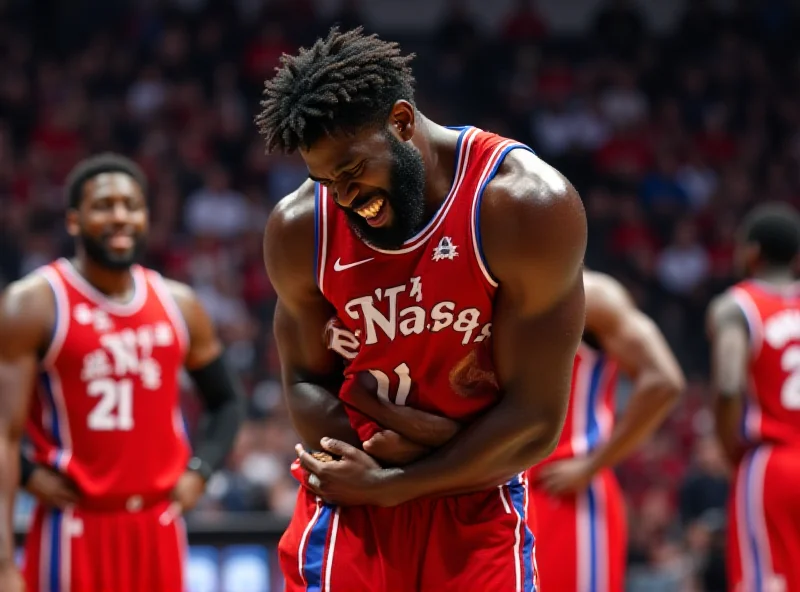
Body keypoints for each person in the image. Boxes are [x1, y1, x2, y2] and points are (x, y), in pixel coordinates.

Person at [258, 27, 587, 591]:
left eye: (352, 171)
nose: (344, 198)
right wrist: (390, 465)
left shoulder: (524, 207)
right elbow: (305, 387)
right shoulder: (300, 228)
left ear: (403, 122)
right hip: (352, 492)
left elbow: (535, 423)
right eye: (325, 180)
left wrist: (398, 478)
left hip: (476, 494)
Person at [0, 153, 245, 592]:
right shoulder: (34, 303)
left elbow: (227, 402)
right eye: (104, 205)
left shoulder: (179, 303)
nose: (120, 217)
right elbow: (3, 429)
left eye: (131, 205)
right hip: (73, 522)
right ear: (74, 221)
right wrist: (25, 479)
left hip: (158, 521)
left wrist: (201, 471)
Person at [526, 270, 684, 591]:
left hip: (565, 490)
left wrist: (593, 465)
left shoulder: (593, 294)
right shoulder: (489, 281)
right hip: (501, 490)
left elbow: (664, 380)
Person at [707, 203, 800, 592]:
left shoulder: (737, 306)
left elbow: (728, 384)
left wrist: (728, 448)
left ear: (751, 252)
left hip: (772, 465)